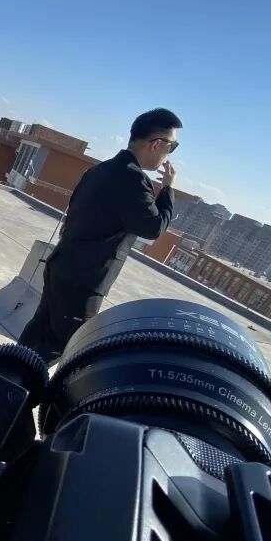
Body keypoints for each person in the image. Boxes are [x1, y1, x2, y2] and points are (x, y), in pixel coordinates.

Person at [18, 108, 183, 362]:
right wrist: (168, 189)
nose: (169, 153)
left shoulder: (99, 170)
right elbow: (153, 227)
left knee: (35, 336)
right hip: (83, 284)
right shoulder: (133, 179)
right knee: (66, 352)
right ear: (156, 144)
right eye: (172, 146)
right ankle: (16, 385)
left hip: (61, 267)